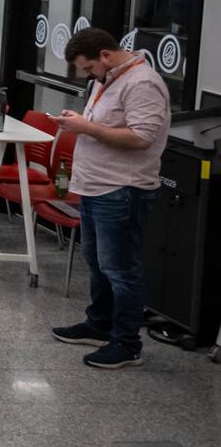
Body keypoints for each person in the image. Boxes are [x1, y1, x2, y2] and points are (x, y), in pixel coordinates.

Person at [51, 27, 172, 371]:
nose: (89, 75)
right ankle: (100, 324)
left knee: (120, 268)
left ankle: (126, 342)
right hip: (95, 185)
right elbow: (105, 124)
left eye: (89, 68)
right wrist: (81, 122)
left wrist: (85, 128)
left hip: (122, 189)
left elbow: (141, 138)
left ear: (105, 55)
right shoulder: (107, 80)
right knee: (98, 262)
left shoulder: (142, 83)